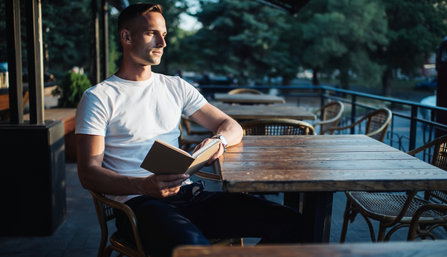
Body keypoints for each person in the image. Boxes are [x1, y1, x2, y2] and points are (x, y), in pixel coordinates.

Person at [75, 3, 303, 257]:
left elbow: (232, 127)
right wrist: (144, 186)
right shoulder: (99, 97)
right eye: (153, 33)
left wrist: (218, 141)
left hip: (189, 195)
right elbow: (88, 174)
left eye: (165, 34)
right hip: (138, 206)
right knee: (195, 251)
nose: (163, 42)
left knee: (296, 224)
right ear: (126, 37)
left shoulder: (175, 86)